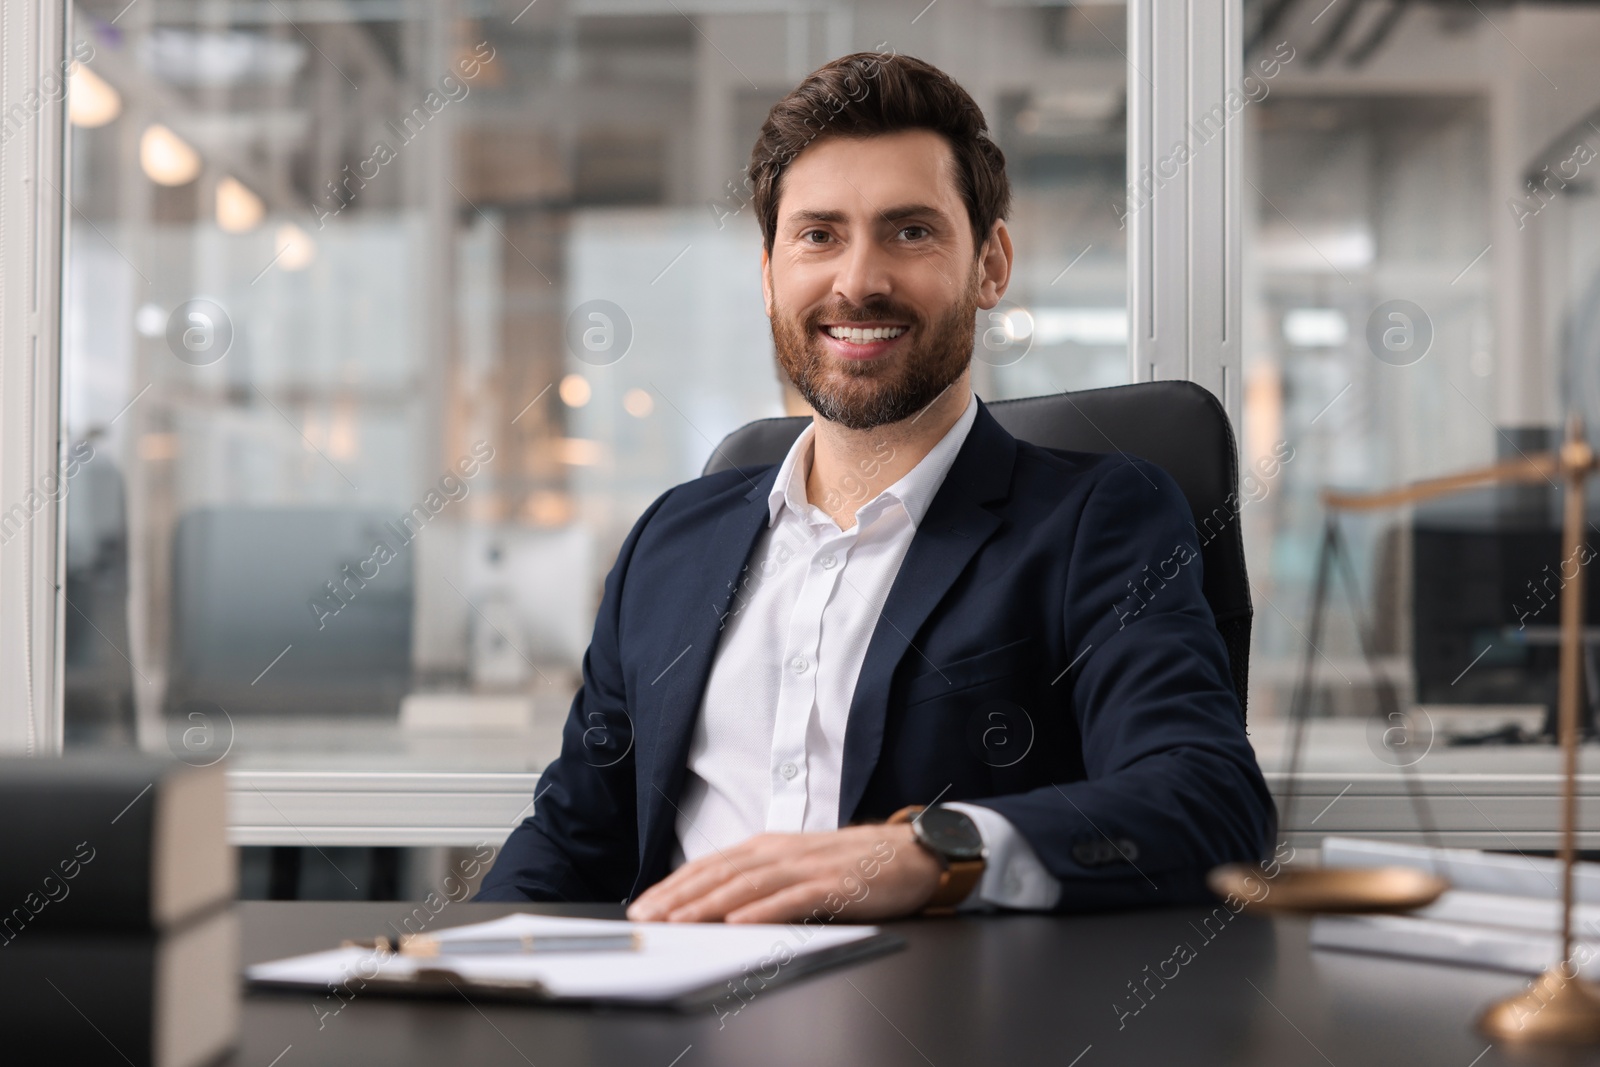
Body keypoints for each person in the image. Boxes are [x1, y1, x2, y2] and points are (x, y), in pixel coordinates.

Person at [477, 52, 1273, 921]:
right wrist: (462, 975)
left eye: (910, 231)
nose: (858, 280)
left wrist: (935, 851)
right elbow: (570, 837)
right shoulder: (670, 539)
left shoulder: (1100, 519)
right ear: (770, 273)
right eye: (818, 235)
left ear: (991, 265)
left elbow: (1208, 800)